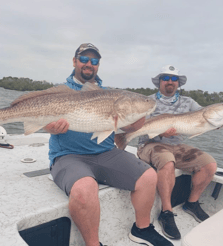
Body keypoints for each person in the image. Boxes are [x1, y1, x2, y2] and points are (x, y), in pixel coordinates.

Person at [44, 44, 173, 246]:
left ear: (98, 65)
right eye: (84, 59)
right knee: (86, 187)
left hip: (106, 153)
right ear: (74, 61)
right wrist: (49, 127)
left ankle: (142, 229)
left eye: (94, 61)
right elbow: (42, 120)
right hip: (68, 156)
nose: (89, 64)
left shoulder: (109, 95)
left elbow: (123, 127)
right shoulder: (61, 92)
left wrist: (135, 122)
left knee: (148, 176)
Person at [137, 65, 223, 240]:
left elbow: (211, 119)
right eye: (166, 78)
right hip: (150, 143)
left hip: (177, 146)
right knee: (167, 161)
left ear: (178, 83)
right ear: (159, 81)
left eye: (174, 79)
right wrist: (159, 132)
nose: (170, 82)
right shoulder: (147, 101)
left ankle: (191, 203)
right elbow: (136, 125)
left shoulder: (189, 102)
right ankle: (167, 212)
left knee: (209, 164)